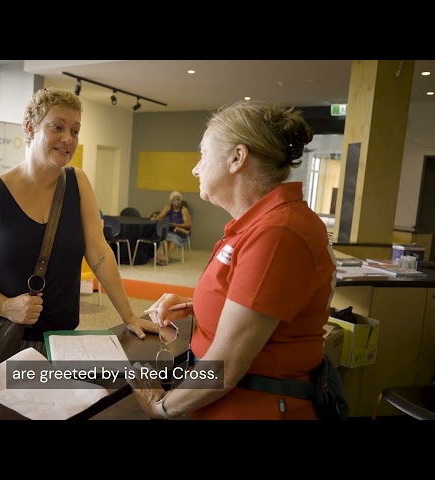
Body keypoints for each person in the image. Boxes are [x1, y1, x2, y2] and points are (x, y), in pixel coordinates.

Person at [126, 100, 336, 420]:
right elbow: (261, 306)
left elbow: (225, 367)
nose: (196, 168)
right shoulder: (260, 224)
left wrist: (162, 407)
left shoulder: (278, 232)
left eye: (203, 155)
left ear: (237, 158)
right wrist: (196, 303)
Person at [0, 88, 156, 357]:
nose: (68, 139)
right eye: (57, 127)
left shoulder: (78, 183)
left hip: (62, 339)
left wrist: (129, 316)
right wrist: (3, 305)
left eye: (75, 130)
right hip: (0, 338)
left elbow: (99, 252)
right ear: (30, 127)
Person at [150, 191, 193, 265]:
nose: (177, 202)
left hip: (181, 232)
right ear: (172, 201)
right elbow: (161, 216)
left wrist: (176, 225)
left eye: (179, 200)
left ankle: (166, 257)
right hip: (170, 230)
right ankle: (166, 258)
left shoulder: (184, 210)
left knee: (173, 237)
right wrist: (155, 218)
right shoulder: (167, 207)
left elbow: (189, 224)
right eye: (175, 200)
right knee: (164, 236)